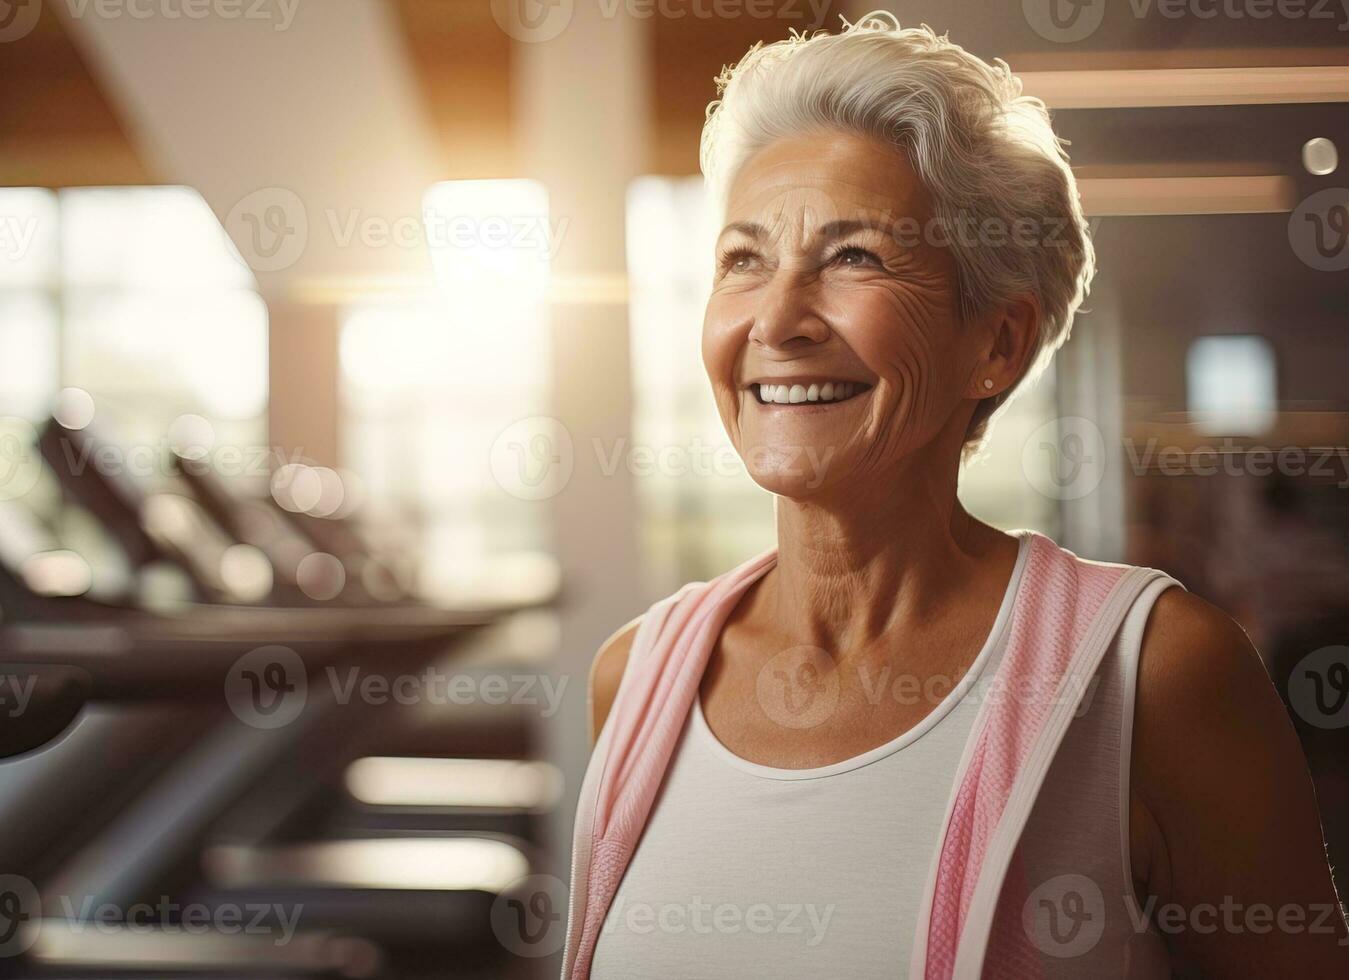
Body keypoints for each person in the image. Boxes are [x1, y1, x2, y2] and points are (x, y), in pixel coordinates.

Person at [565, 14, 1348, 979]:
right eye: (742, 259)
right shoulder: (635, 680)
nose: (776, 318)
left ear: (996, 344)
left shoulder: (1155, 674)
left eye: (852, 257)